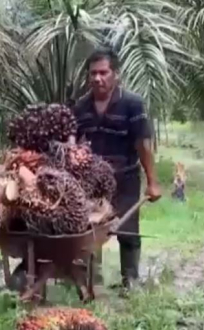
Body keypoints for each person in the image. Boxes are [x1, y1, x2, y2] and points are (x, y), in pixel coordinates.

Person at [71, 47, 162, 290]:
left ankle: (129, 280)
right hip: (92, 182)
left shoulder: (132, 104)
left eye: (103, 72)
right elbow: (73, 144)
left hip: (125, 178)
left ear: (115, 74)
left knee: (128, 231)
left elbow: (143, 144)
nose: (97, 78)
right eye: (93, 73)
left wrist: (152, 181)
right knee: (90, 230)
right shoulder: (81, 107)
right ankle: (92, 280)